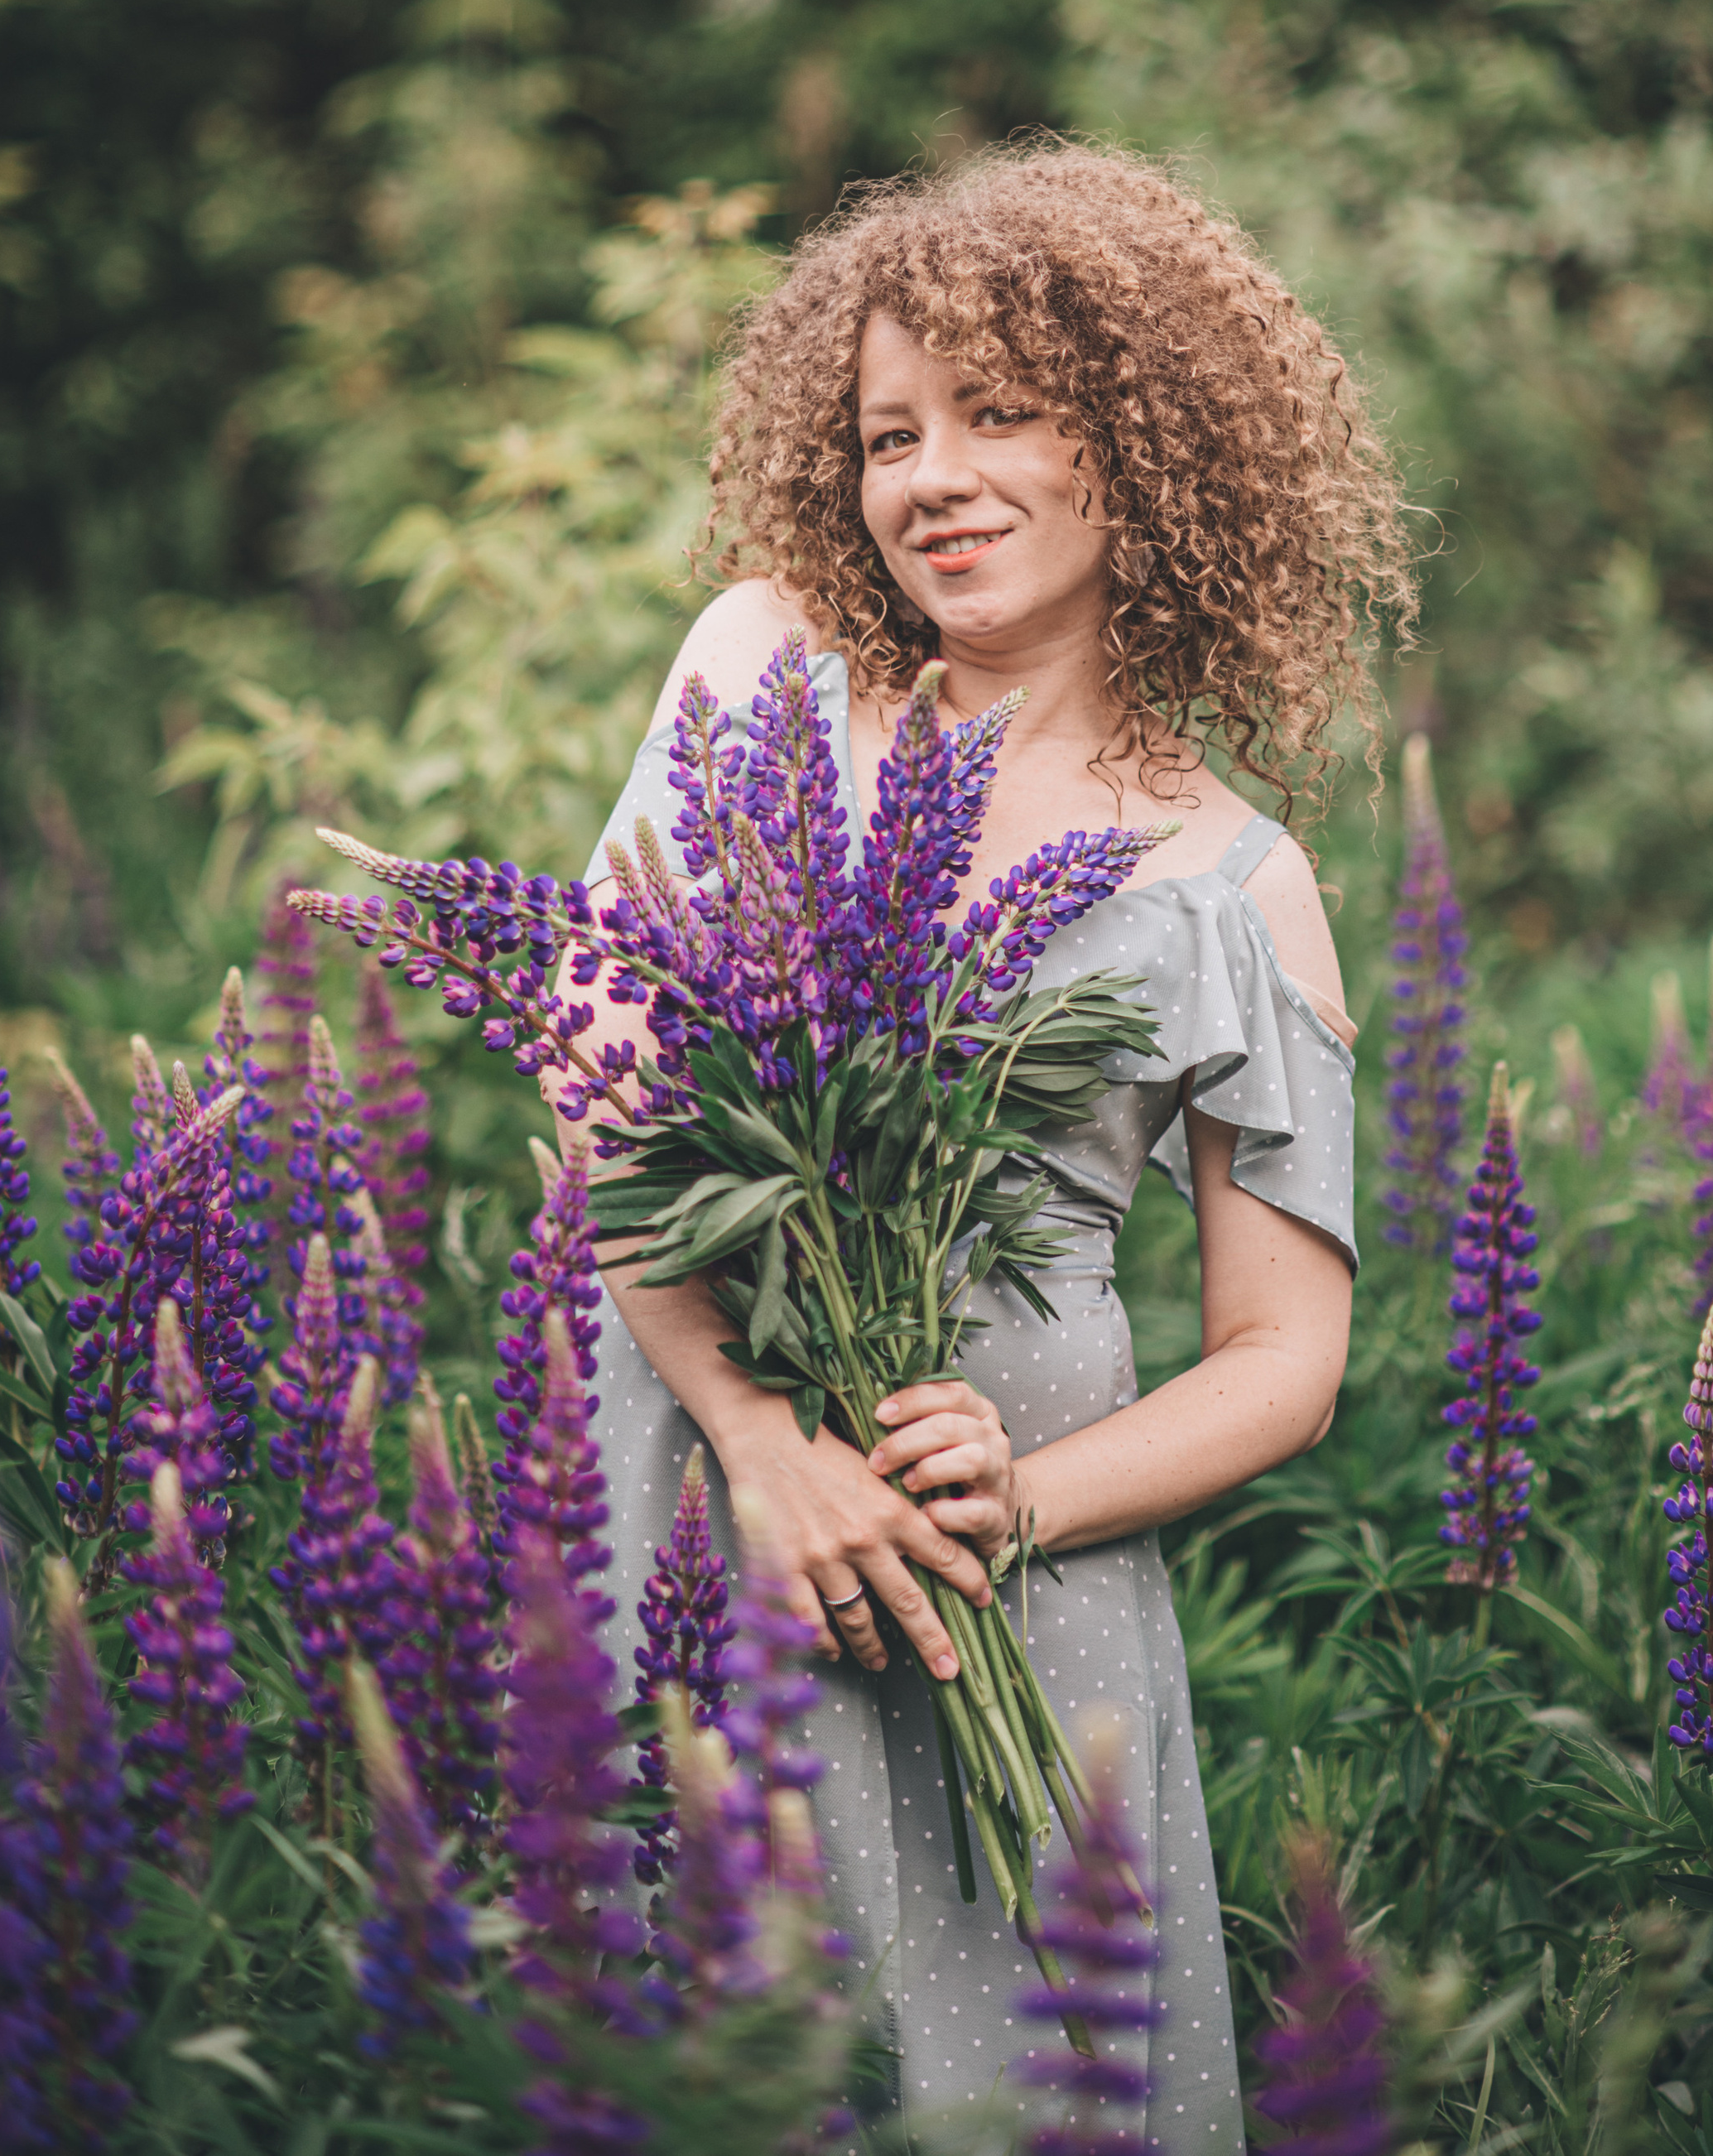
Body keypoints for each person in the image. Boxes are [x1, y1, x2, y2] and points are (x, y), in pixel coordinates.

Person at [574, 142, 1410, 2148]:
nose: (928, 476)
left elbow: (1284, 1361)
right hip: (695, 1506)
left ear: (1139, 442)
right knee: (672, 2063)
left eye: (997, 414)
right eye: (885, 434)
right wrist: (769, 1455)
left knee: (1008, 2087)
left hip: (993, 1590)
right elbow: (591, 1083)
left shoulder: (1237, 881)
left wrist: (1017, 1498)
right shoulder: (767, 674)